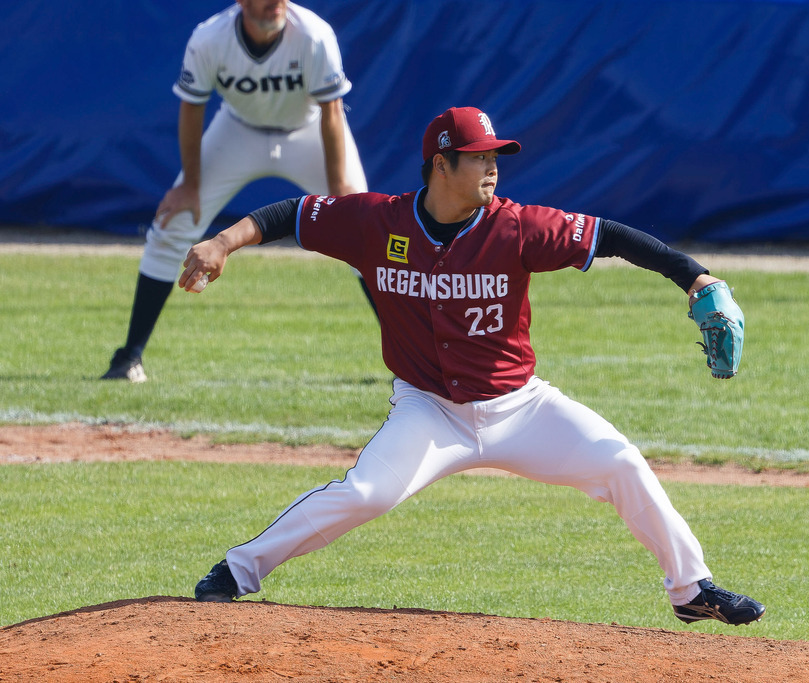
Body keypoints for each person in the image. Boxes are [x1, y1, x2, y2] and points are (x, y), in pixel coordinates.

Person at [184, 106, 765, 626]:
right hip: (429, 410)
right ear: (441, 164)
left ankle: (691, 590)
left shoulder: (517, 227)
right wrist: (223, 243)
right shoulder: (378, 222)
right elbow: (294, 213)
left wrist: (695, 276)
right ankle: (238, 571)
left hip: (521, 407)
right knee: (366, 493)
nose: (493, 168)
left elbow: (610, 236)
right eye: (479, 158)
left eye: (496, 157)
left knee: (622, 464)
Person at [101, 0, 369, 383]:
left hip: (308, 132)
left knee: (364, 233)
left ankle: (418, 365)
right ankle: (128, 359)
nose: (274, 3)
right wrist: (190, 185)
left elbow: (331, 111)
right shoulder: (210, 37)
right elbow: (192, 107)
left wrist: (341, 190)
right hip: (238, 131)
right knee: (172, 225)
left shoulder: (314, 34)